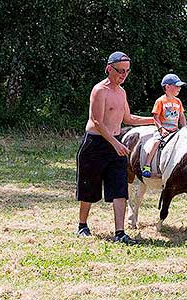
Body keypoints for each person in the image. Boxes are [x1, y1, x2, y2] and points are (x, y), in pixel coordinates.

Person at [76, 51, 154, 244]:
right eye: (120, 71)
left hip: (116, 144)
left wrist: (155, 120)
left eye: (127, 71)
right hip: (95, 144)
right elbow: (96, 121)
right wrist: (115, 143)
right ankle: (82, 225)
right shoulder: (99, 90)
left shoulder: (121, 92)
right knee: (89, 187)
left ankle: (120, 233)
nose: (124, 75)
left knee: (120, 188)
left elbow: (128, 119)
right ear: (109, 68)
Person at [141, 74, 187, 177]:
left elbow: (182, 116)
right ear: (167, 87)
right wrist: (161, 129)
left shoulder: (178, 101)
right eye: (177, 86)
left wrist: (185, 128)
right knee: (156, 142)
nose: (179, 88)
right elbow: (155, 117)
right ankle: (147, 164)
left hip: (175, 130)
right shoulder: (160, 101)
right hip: (163, 129)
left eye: (180, 86)